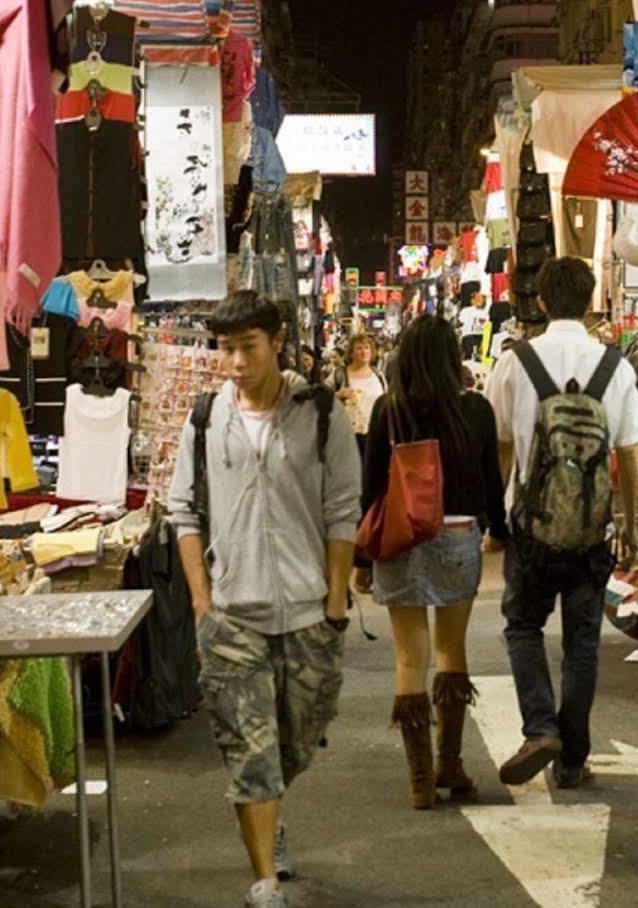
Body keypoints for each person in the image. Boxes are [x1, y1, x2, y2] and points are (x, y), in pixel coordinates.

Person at [167, 291, 361, 908]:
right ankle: (265, 882)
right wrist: (203, 604)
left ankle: (271, 812)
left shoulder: (322, 413)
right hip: (233, 619)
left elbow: (342, 512)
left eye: (247, 347)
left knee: (295, 743)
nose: (236, 362)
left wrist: (335, 604)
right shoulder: (203, 419)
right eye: (226, 349)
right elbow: (183, 513)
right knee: (249, 753)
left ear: (276, 342)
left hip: (308, 614)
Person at [486, 256, 638, 789]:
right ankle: (573, 759)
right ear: (590, 298)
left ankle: (540, 726)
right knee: (582, 641)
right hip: (592, 530)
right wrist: (630, 526)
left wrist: (498, 515)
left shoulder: (515, 362)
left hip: (530, 530)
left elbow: (503, 446)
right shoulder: (615, 366)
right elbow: (628, 454)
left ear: (542, 302)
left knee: (524, 626)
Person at [362, 314, 509, 810]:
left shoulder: (390, 410)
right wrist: (500, 534)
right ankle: (450, 763)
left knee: (409, 657)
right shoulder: (476, 411)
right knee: (452, 649)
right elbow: (492, 482)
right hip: (459, 537)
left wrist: (364, 557)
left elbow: (371, 489)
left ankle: (420, 780)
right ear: (453, 359)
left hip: (402, 537)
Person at [457, 293, 488, 359]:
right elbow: (460, 323)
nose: (479, 300)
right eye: (477, 299)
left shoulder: (485, 312)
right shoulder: (465, 310)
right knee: (473, 357)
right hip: (469, 337)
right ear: (472, 301)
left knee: (476, 357)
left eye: (480, 298)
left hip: (479, 337)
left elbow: (486, 327)